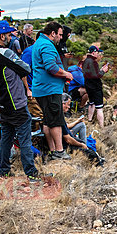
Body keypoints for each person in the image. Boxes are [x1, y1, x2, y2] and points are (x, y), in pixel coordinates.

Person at [0, 20, 40, 181]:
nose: (10, 37)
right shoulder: (5, 53)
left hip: (2, 102)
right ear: (1, 36)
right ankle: (31, 172)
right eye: (8, 35)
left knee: (7, 136)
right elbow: (26, 68)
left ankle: (4, 170)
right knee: (24, 137)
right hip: (15, 102)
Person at [31, 21, 73, 160]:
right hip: (49, 90)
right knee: (56, 121)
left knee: (48, 121)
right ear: (53, 33)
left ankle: (53, 150)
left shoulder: (39, 43)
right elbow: (51, 67)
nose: (61, 38)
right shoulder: (46, 45)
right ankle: (59, 151)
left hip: (42, 89)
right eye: (60, 35)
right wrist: (66, 74)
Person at [82, 45, 109, 127]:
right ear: (93, 53)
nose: (98, 54)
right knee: (99, 108)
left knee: (91, 103)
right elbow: (97, 76)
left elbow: (92, 74)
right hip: (96, 87)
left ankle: (89, 120)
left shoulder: (85, 61)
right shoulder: (93, 62)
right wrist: (103, 71)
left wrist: (100, 70)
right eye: (97, 52)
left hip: (88, 86)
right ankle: (102, 126)